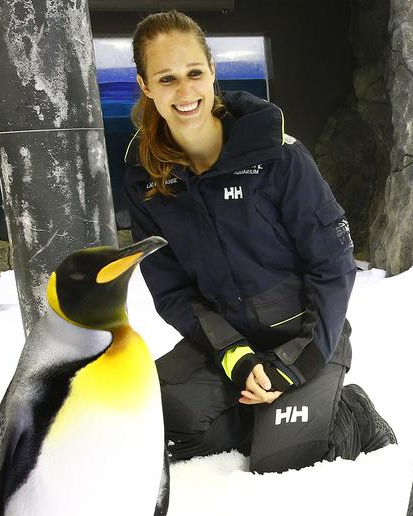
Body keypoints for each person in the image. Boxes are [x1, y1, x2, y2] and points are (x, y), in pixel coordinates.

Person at [123, 10, 395, 473]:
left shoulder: (278, 156)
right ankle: (259, 409)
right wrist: (235, 354)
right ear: (146, 86)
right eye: (167, 79)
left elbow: (332, 265)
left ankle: (349, 415)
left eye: (194, 73)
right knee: (155, 421)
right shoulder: (145, 175)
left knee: (281, 462)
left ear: (212, 71)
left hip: (306, 337)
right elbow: (170, 290)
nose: (185, 92)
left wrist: (295, 364)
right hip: (226, 341)